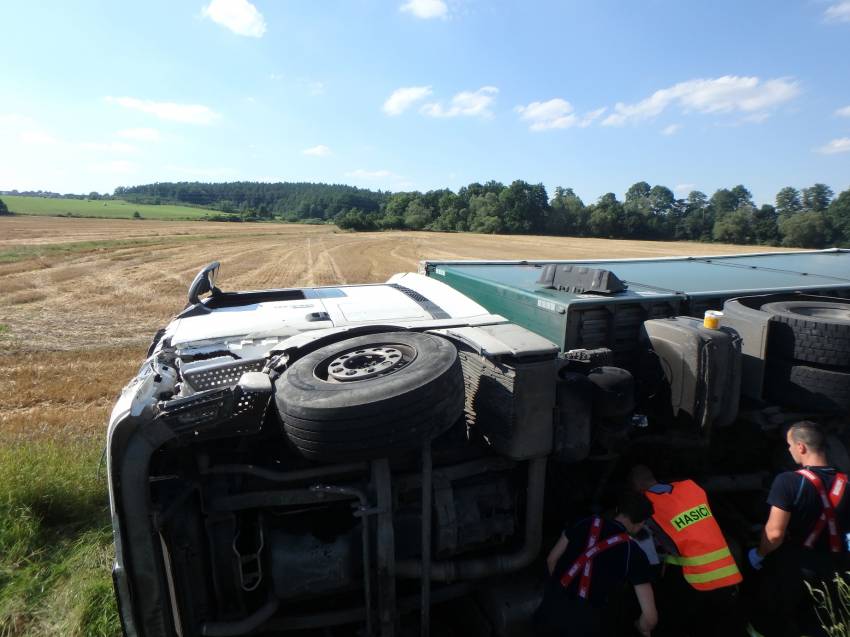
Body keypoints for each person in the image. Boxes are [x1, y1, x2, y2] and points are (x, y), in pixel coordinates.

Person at [747, 420, 849, 637]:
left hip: (793, 568)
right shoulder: (846, 483)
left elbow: (774, 534)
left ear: (801, 447)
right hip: (835, 570)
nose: (789, 450)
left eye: (790, 445)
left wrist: (759, 554)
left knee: (773, 625)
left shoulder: (788, 481)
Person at [629, 465, 742, 636]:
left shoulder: (647, 504)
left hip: (696, 580)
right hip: (728, 574)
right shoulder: (691, 488)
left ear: (636, 488)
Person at [533, 491, 658, 637]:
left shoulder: (583, 522)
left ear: (617, 510)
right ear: (641, 523)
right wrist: (640, 626)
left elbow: (551, 559)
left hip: (550, 613)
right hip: (586, 625)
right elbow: (650, 618)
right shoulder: (633, 552)